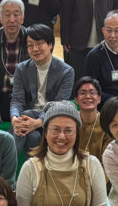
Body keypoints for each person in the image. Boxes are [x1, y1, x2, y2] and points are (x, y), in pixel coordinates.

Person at [9, 24, 75, 152]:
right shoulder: (22, 69)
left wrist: (38, 122)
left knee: (27, 115)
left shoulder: (66, 71)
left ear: (50, 45)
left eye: (39, 44)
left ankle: (6, 163)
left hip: (51, 118)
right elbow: (17, 99)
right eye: (30, 45)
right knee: (33, 137)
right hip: (27, 121)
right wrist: (15, 119)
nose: (35, 49)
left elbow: (59, 105)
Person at [84, 11, 118, 102]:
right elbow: (92, 89)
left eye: (117, 31)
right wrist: (116, 102)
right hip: (104, 103)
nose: (112, 35)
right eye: (109, 30)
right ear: (103, 31)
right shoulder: (93, 56)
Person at [73, 76, 113, 164]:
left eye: (92, 93)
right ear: (76, 99)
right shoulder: (71, 122)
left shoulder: (107, 124)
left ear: (99, 99)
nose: (87, 96)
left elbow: (108, 160)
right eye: (83, 93)